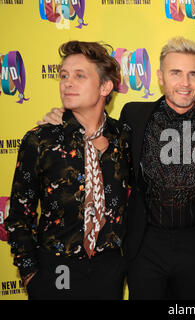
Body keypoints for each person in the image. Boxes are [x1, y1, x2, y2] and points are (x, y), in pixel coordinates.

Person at [40, 37, 195, 300]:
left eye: (193, 74)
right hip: (145, 243)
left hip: (194, 244)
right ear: (160, 77)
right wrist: (64, 116)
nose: (185, 83)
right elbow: (95, 127)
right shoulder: (134, 114)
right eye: (176, 73)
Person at [5, 41, 131, 299]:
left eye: (79, 76)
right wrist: (31, 276)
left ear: (106, 86)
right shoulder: (40, 140)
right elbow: (19, 216)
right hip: (54, 270)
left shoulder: (124, 137)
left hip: (108, 271)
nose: (67, 82)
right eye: (64, 75)